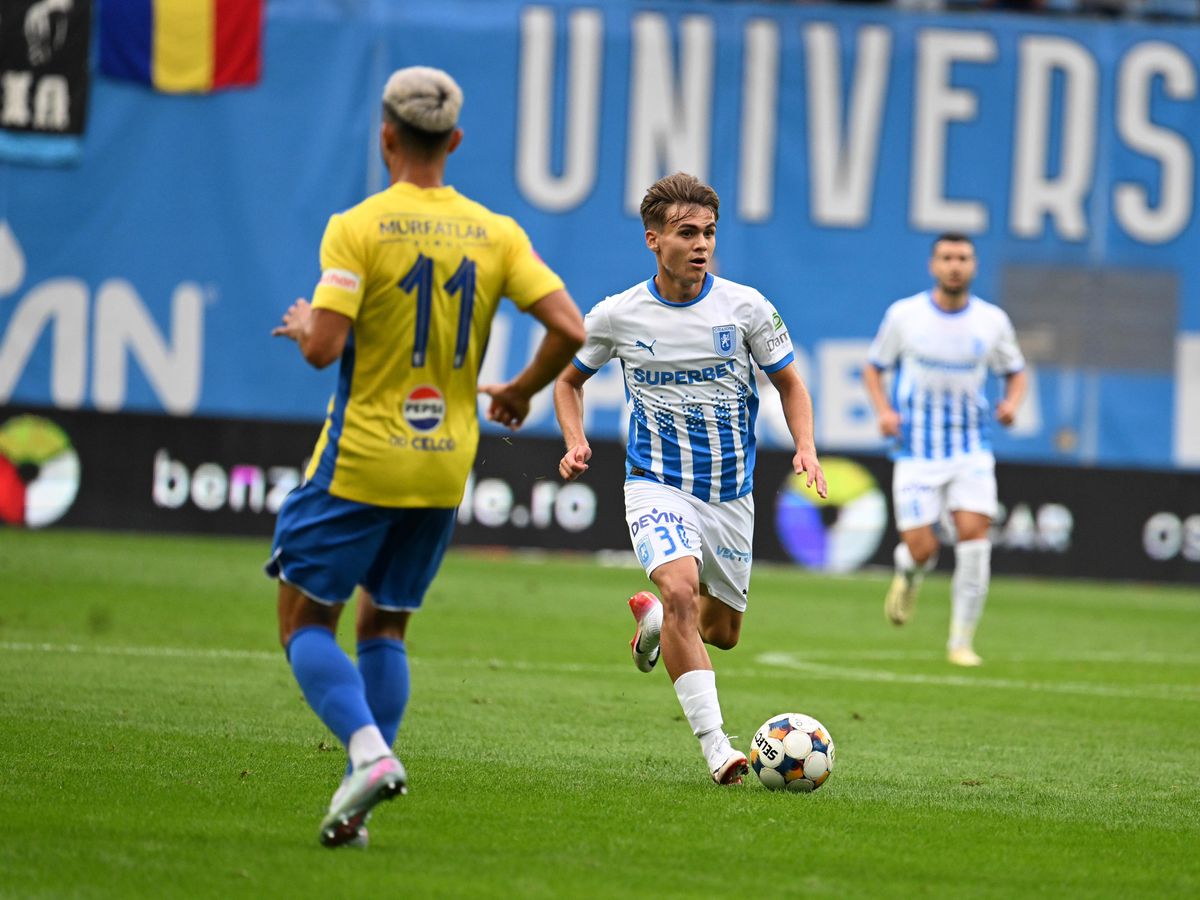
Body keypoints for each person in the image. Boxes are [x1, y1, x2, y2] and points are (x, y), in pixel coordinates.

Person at [267, 66, 584, 847]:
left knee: (304, 619)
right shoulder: (495, 231)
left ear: (386, 136)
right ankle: (360, 804)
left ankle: (368, 754)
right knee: (386, 623)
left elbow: (324, 350)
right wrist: (521, 391)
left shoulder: (358, 226)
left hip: (361, 459)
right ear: (456, 141)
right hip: (445, 464)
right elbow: (571, 329)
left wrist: (306, 324)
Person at [554, 172, 827, 785]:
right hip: (656, 483)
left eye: (708, 232)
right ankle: (717, 748)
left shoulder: (746, 307)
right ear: (653, 240)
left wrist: (806, 447)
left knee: (720, 632)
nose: (701, 244)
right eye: (686, 233)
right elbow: (567, 382)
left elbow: (790, 383)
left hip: (730, 495)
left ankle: (655, 624)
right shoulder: (617, 315)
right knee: (682, 591)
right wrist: (575, 441)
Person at [862, 232, 1027, 667]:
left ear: (974, 266)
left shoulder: (992, 321)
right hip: (916, 451)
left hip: (971, 450)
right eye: (947, 257)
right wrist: (884, 411)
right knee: (923, 549)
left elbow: (1016, 371)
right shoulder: (905, 316)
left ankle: (961, 642)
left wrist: (1012, 404)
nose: (955, 265)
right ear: (933, 265)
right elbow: (874, 367)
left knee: (974, 538)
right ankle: (908, 571)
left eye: (963, 258)